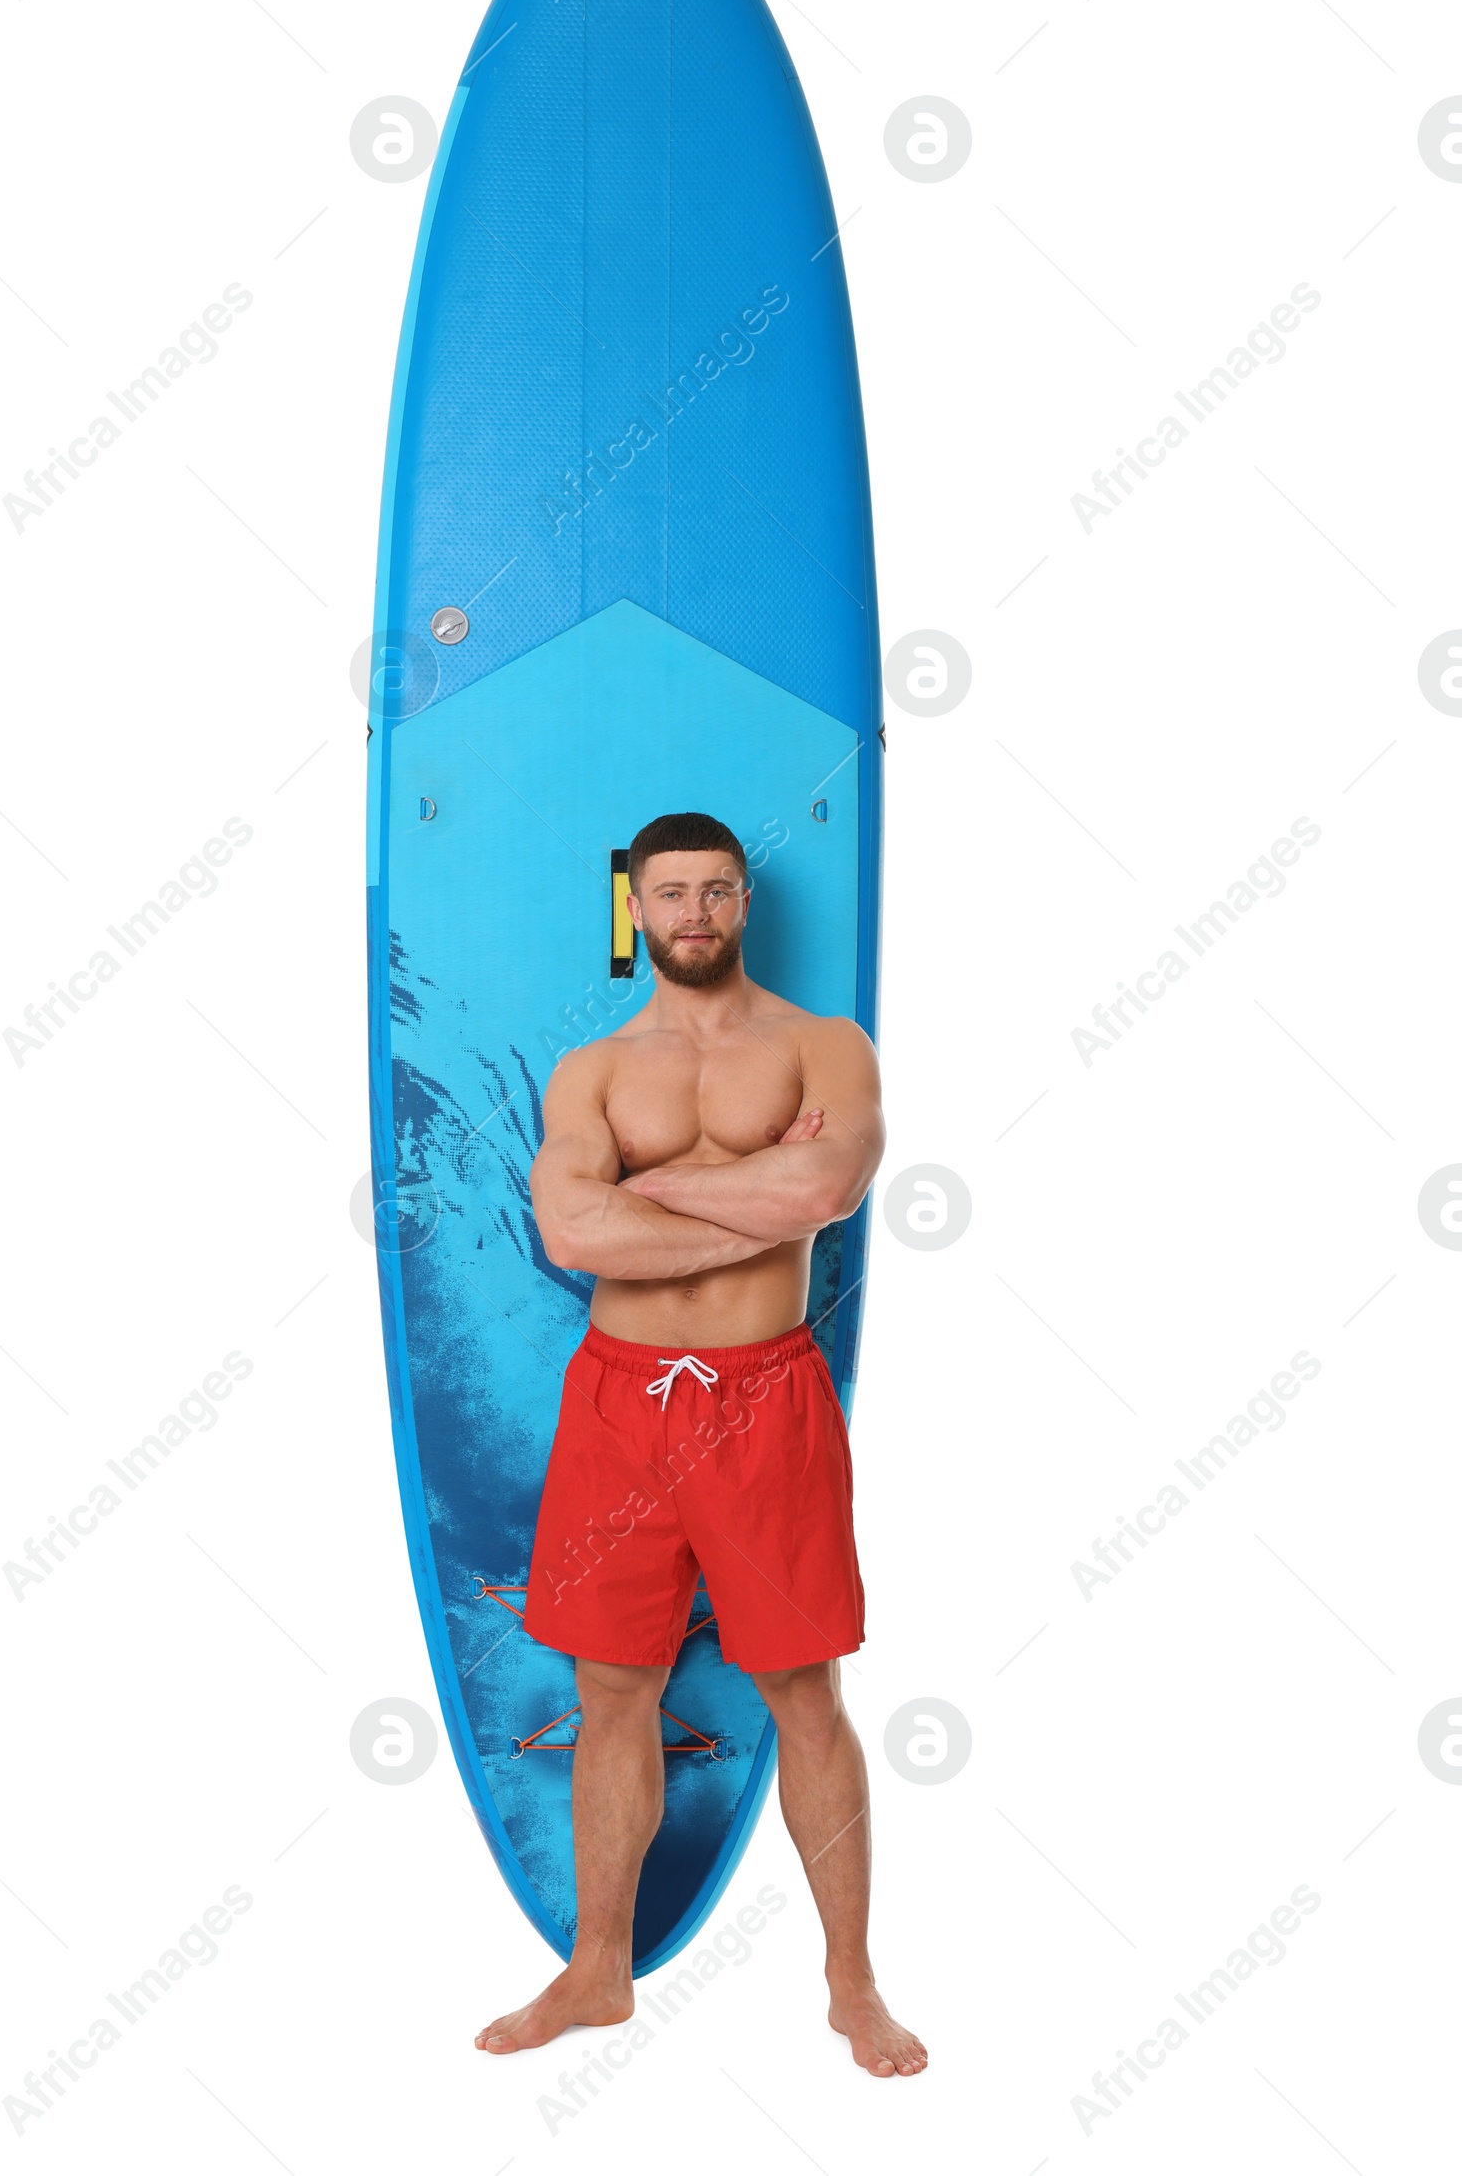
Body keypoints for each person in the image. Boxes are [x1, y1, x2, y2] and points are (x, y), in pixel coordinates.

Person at [474, 810, 924, 2077]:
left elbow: (824, 1192)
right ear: (638, 907)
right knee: (610, 1688)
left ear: (742, 902)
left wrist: (648, 1190)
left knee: (804, 1691)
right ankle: (598, 1971)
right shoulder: (592, 1072)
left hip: (765, 1401)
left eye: (716, 890)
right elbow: (573, 1235)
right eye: (670, 893)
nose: (694, 913)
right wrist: (745, 1203)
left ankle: (851, 1986)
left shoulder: (824, 1046)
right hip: (618, 1403)